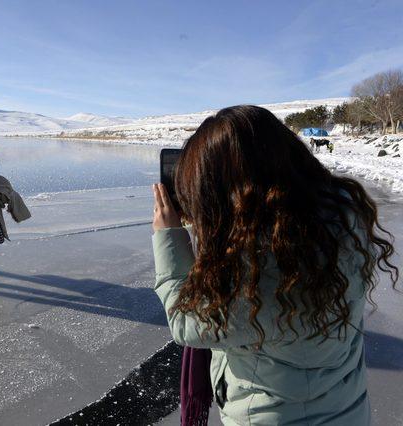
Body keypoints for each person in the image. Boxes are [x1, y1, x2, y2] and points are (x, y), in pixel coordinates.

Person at [151, 105, 398, 425]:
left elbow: (187, 323)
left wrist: (170, 238)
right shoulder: (343, 224)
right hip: (347, 410)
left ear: (229, 195)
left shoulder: (255, 271)